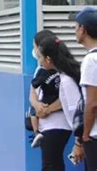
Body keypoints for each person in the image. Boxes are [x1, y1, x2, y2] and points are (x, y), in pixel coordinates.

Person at [36, 36, 82, 171]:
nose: (39, 62)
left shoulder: (67, 80)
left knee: (51, 165)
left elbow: (76, 112)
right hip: (77, 133)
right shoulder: (65, 76)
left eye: (40, 57)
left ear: (49, 59)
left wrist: (78, 143)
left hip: (77, 133)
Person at [28, 30, 61, 148]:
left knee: (51, 163)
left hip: (55, 125)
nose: (34, 50)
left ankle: (36, 132)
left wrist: (46, 109)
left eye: (34, 46)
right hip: (47, 123)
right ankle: (36, 133)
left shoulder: (65, 71)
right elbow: (33, 94)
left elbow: (68, 98)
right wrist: (38, 106)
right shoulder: (41, 69)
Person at [74, 7, 97, 170]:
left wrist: (85, 136)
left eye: (75, 27)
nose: (75, 31)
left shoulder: (91, 60)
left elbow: (92, 103)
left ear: (83, 29)